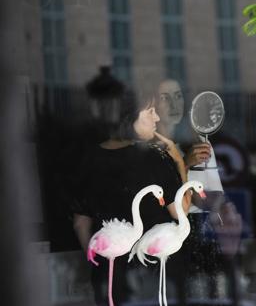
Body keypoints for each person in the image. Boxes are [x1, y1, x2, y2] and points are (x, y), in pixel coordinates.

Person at [71, 89, 188, 306]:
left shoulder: (89, 159)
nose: (157, 117)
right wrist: (180, 163)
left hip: (109, 279)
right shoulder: (155, 158)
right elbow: (181, 210)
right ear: (129, 117)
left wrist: (101, 261)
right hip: (153, 277)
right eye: (150, 111)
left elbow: (80, 223)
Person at [155, 78, 242, 302]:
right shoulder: (150, 150)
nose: (174, 104)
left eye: (178, 96)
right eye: (166, 97)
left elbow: (214, 198)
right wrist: (185, 163)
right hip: (167, 240)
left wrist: (202, 198)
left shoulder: (198, 143)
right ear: (153, 103)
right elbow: (158, 202)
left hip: (202, 238)